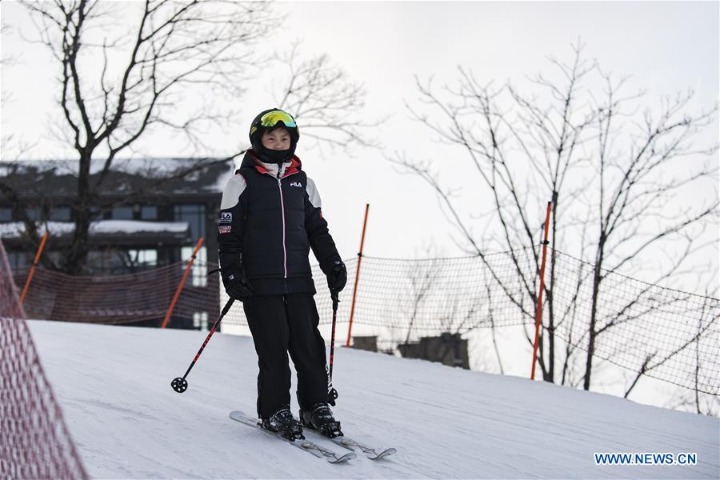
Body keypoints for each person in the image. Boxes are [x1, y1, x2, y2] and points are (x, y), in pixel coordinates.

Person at [217, 108, 347, 441]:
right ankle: (274, 410)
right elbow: (228, 234)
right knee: (273, 350)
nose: (277, 143)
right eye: (271, 137)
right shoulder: (241, 183)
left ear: (292, 141)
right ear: (258, 140)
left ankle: (314, 406)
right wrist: (232, 274)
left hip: (300, 282)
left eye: (284, 138)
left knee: (309, 347)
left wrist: (332, 263)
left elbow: (317, 230)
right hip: (260, 284)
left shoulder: (303, 183)